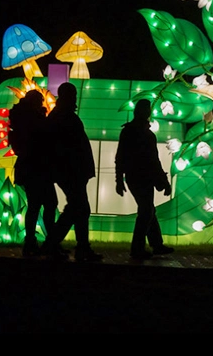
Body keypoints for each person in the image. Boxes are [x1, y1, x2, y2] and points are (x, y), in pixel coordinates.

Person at [44, 82, 103, 262]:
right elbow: (69, 147)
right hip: (72, 171)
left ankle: (59, 244)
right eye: (73, 94)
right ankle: (61, 244)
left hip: (70, 171)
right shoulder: (64, 116)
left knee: (77, 208)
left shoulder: (60, 115)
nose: (76, 97)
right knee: (79, 208)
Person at [115, 98, 174, 261]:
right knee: (146, 211)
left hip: (134, 177)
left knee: (147, 210)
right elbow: (154, 160)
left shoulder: (128, 131)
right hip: (143, 178)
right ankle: (139, 248)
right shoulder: (147, 135)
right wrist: (163, 181)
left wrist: (119, 179)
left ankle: (155, 245)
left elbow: (120, 157)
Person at [8, 89, 60, 257]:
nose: (42, 104)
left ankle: (32, 241)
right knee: (49, 204)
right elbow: (43, 141)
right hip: (39, 169)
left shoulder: (21, 118)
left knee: (35, 206)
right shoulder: (34, 120)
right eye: (39, 101)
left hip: (28, 168)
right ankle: (48, 242)